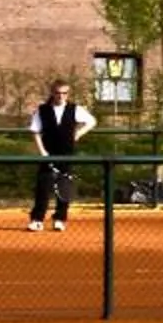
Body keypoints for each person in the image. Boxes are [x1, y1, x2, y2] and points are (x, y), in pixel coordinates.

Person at [27, 78, 95, 232]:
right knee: (43, 187)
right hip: (48, 153)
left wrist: (78, 133)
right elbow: (35, 132)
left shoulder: (74, 109)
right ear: (52, 93)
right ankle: (37, 219)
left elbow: (91, 121)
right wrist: (42, 152)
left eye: (64, 93)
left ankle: (60, 219)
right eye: (58, 93)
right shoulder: (42, 110)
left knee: (64, 187)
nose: (61, 96)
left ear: (68, 94)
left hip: (66, 153)